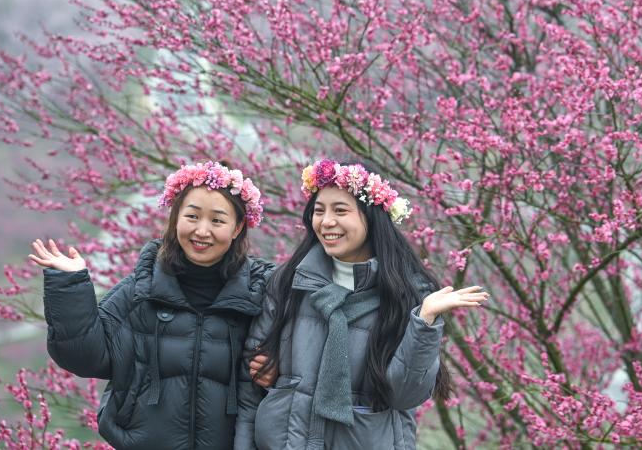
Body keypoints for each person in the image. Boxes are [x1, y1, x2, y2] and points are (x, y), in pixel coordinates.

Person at [234, 159, 489, 449]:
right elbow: (250, 381)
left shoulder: (405, 294)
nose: (326, 222)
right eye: (319, 210)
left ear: (372, 216)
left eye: (340, 210)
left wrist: (425, 321)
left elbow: (405, 396)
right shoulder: (290, 282)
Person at [30, 161, 274, 450]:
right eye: (192, 216)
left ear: (238, 227)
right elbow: (85, 357)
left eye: (217, 221)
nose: (202, 230)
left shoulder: (262, 292)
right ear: (175, 218)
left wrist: (277, 370)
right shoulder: (142, 288)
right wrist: (70, 285)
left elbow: (301, 360)